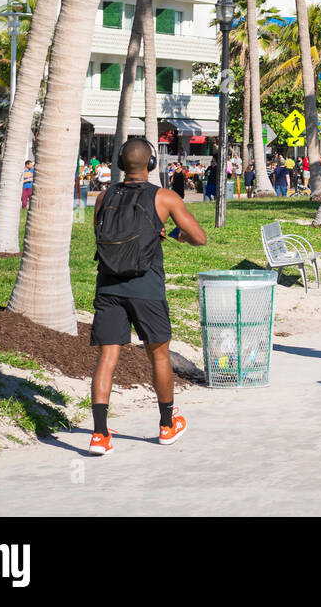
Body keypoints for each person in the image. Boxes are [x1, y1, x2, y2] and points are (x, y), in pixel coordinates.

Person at [87, 139, 207, 456]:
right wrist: (171, 233)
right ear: (151, 164)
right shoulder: (164, 197)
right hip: (147, 290)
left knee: (107, 358)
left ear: (120, 164)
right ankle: (167, 425)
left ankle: (99, 435)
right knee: (159, 356)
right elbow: (199, 238)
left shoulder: (103, 197)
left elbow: (105, 238)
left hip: (109, 288)